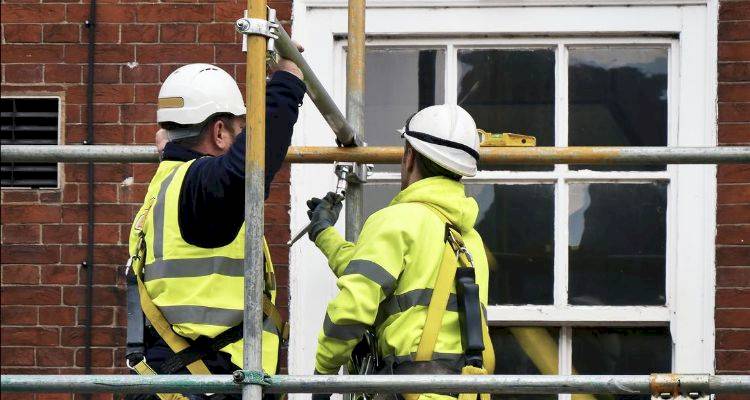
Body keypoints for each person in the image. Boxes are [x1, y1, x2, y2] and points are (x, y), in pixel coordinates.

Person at [126, 57, 305, 398]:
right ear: (220, 132)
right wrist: (287, 80)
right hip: (208, 381)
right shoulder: (199, 187)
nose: (241, 138)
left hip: (184, 379)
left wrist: (174, 150)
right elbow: (249, 165)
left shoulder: (169, 182)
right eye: (239, 129)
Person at [306, 104, 495, 400]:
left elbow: (350, 312)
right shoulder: (471, 242)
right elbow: (374, 270)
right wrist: (325, 234)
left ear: (410, 157)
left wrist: (322, 378)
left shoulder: (395, 221)